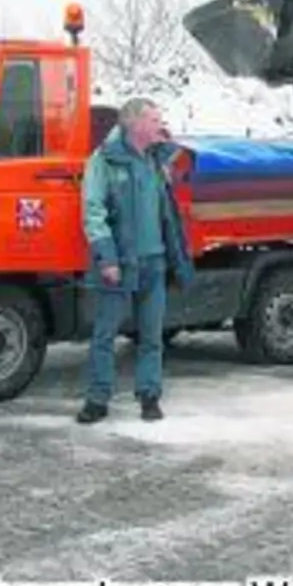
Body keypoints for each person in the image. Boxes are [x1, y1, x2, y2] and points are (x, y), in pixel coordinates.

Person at [77, 97, 195, 424]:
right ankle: (97, 399)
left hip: (154, 263)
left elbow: (167, 213)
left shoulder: (157, 160)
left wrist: (177, 257)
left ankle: (149, 396)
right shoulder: (104, 161)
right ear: (135, 124)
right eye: (154, 120)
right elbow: (93, 213)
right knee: (104, 336)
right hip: (119, 264)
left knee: (152, 335)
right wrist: (107, 258)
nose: (161, 125)